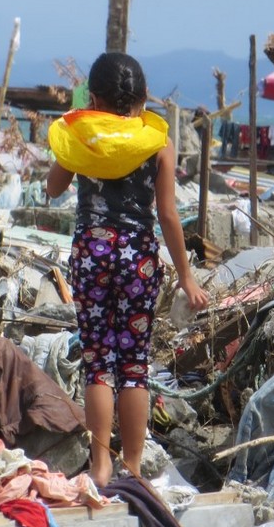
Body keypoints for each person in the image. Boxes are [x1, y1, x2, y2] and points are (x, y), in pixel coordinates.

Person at [44, 52, 208, 488]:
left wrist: (74, 142)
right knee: (134, 365)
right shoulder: (157, 144)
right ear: (142, 100)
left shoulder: (82, 138)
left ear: (93, 98)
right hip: (138, 258)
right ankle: (132, 469)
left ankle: (99, 468)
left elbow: (53, 187)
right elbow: (170, 217)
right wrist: (187, 278)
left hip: (91, 254)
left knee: (98, 363)